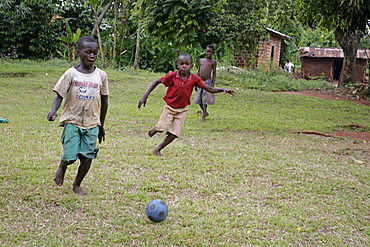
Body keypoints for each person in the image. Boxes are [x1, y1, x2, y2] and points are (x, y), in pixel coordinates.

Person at [138, 53, 235, 156]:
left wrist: (223, 90)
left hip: (182, 109)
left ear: (191, 66)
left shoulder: (195, 79)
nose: (184, 66)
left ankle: (158, 149)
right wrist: (145, 96)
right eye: (181, 64)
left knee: (174, 134)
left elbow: (209, 88)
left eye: (187, 64)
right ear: (178, 65)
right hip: (170, 107)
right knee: (161, 128)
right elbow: (157, 81)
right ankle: (155, 129)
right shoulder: (172, 76)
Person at [47, 36, 109, 195]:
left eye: (95, 53)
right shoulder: (71, 74)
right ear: (78, 52)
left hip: (92, 123)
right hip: (72, 121)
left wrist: (101, 125)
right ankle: (63, 165)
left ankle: (77, 184)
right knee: (71, 156)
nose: (92, 56)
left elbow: (104, 101)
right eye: (88, 52)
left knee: (87, 157)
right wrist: (53, 111)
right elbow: (59, 95)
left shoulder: (101, 75)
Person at [194, 45, 217, 122]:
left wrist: (212, 83)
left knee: (205, 100)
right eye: (207, 51)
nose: (209, 53)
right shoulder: (201, 60)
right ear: (205, 51)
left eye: (210, 52)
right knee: (198, 99)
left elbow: (214, 73)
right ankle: (205, 112)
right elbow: (198, 72)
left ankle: (203, 116)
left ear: (213, 53)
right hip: (200, 81)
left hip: (207, 82)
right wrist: (195, 83)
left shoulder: (213, 62)